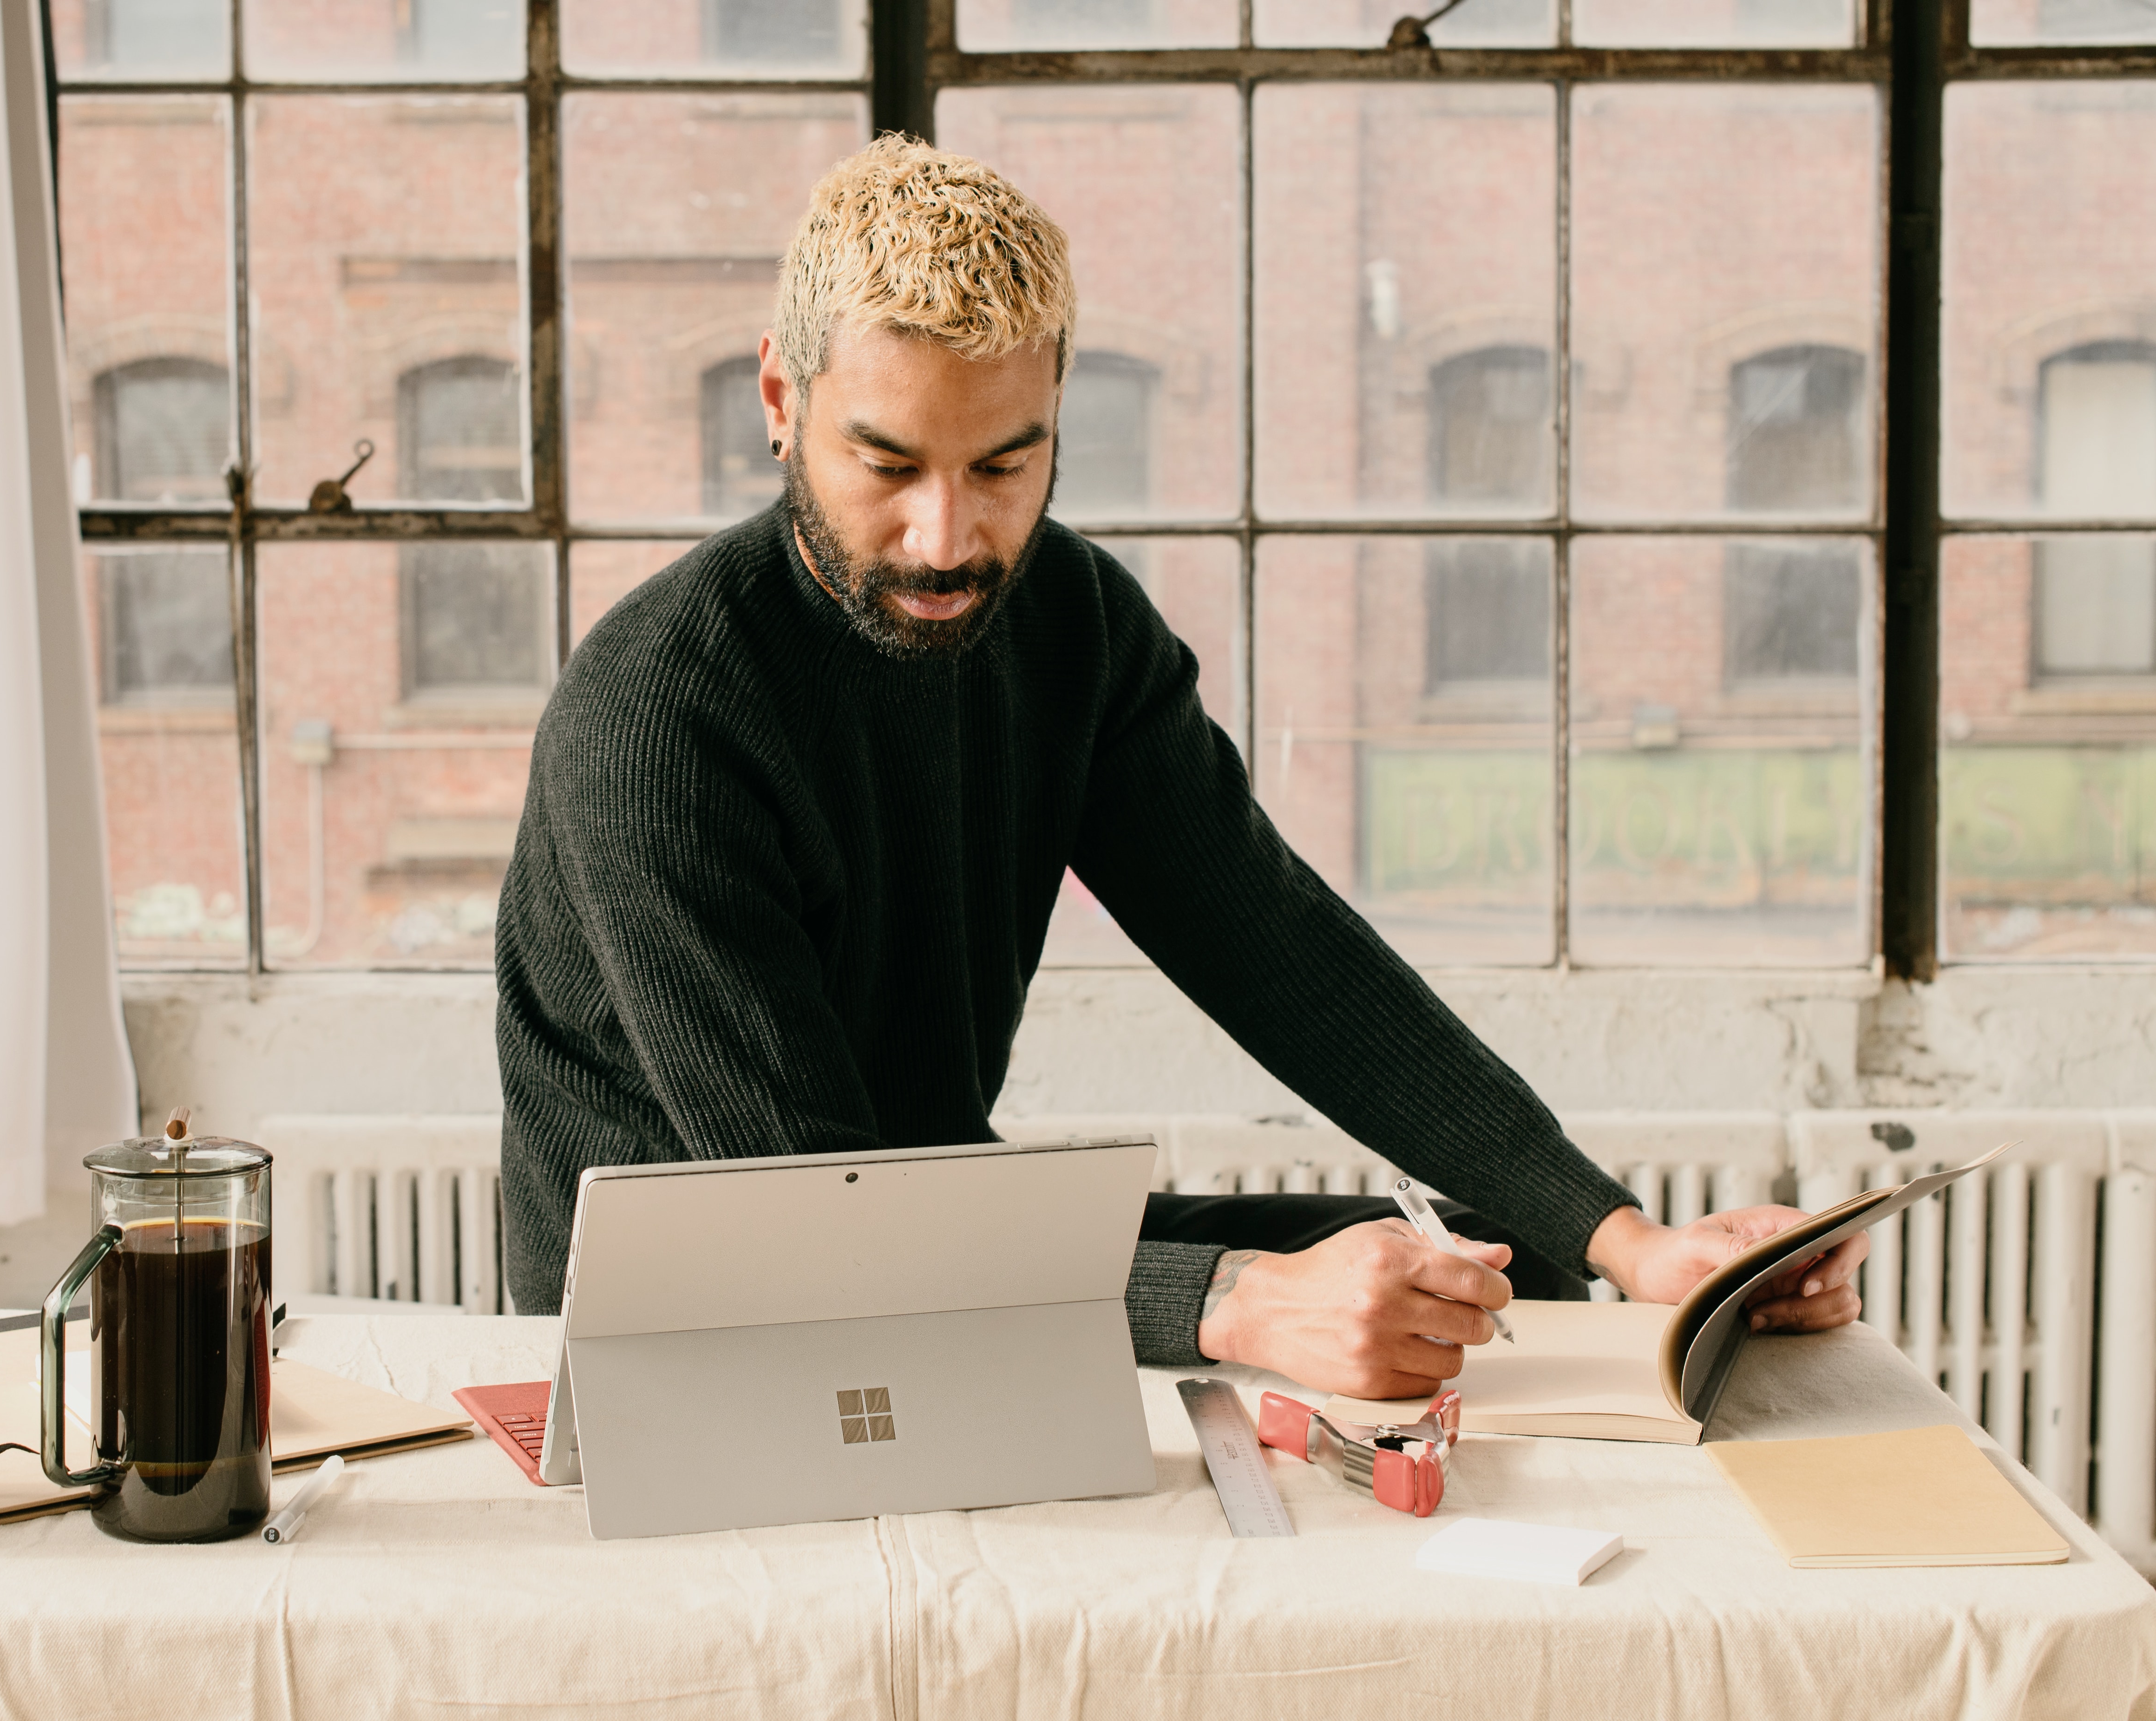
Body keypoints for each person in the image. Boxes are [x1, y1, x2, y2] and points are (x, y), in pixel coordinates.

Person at [494, 136, 1867, 1399]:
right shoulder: (658, 719)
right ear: (782, 401)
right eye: (888, 465)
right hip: (698, 1323)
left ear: (1055, 418)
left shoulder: (1074, 625)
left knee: (1499, 1268)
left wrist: (1633, 1242)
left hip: (929, 1225)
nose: (946, 539)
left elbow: (1279, 952)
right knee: (1305, 1307)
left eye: (1004, 467)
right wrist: (1228, 1304)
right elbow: (819, 1212)